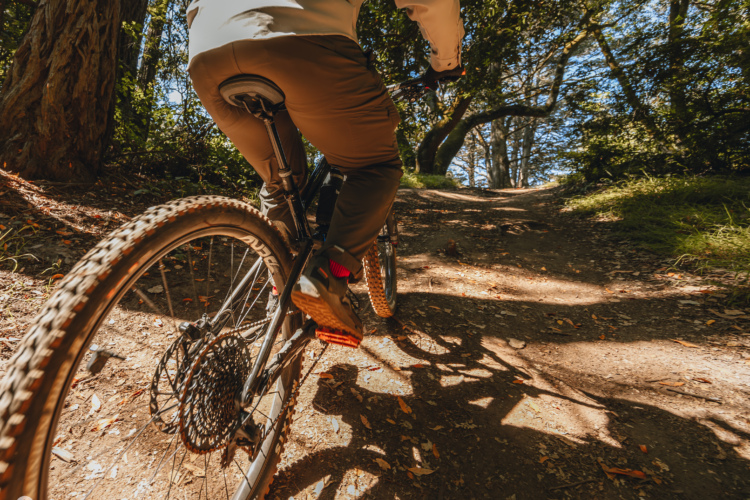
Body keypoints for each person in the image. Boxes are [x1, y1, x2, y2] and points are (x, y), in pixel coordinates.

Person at [187, 0, 464, 343]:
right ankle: (329, 276)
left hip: (207, 51)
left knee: (280, 180)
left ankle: (280, 278)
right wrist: (446, 62)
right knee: (375, 166)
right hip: (302, 38)